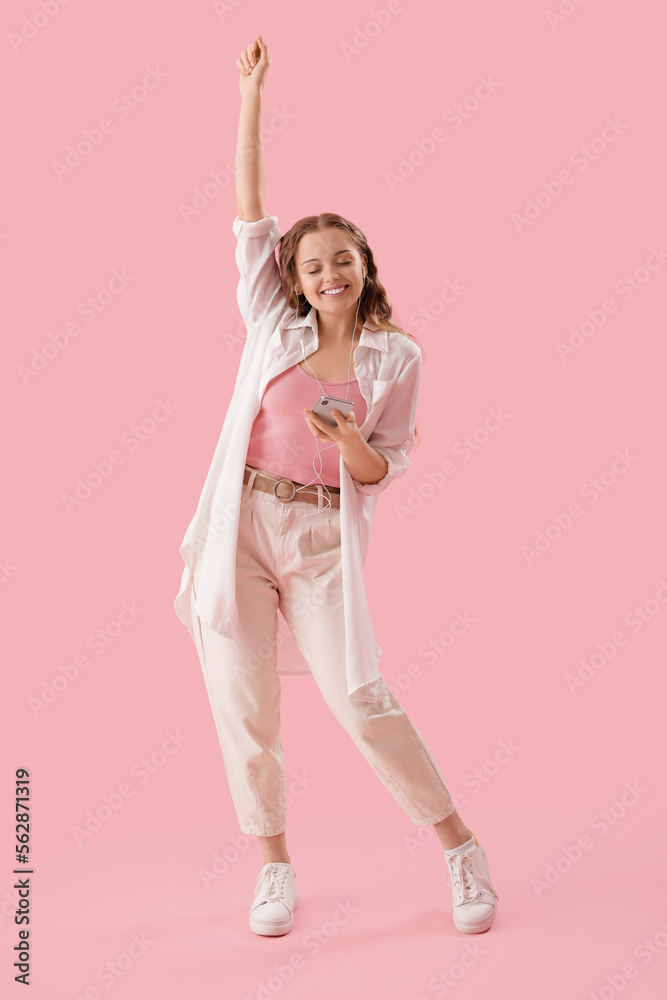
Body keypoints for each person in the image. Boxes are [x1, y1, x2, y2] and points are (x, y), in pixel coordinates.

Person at [174, 34, 499, 938]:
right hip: (241, 524)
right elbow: (248, 206)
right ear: (295, 279)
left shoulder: (397, 359)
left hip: (319, 538)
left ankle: (459, 846)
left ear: (364, 266)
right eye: (311, 265)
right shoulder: (270, 326)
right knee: (243, 705)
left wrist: (353, 437)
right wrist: (251, 95)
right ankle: (274, 867)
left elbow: (381, 468)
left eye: (341, 261)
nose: (327, 275)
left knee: (359, 696)